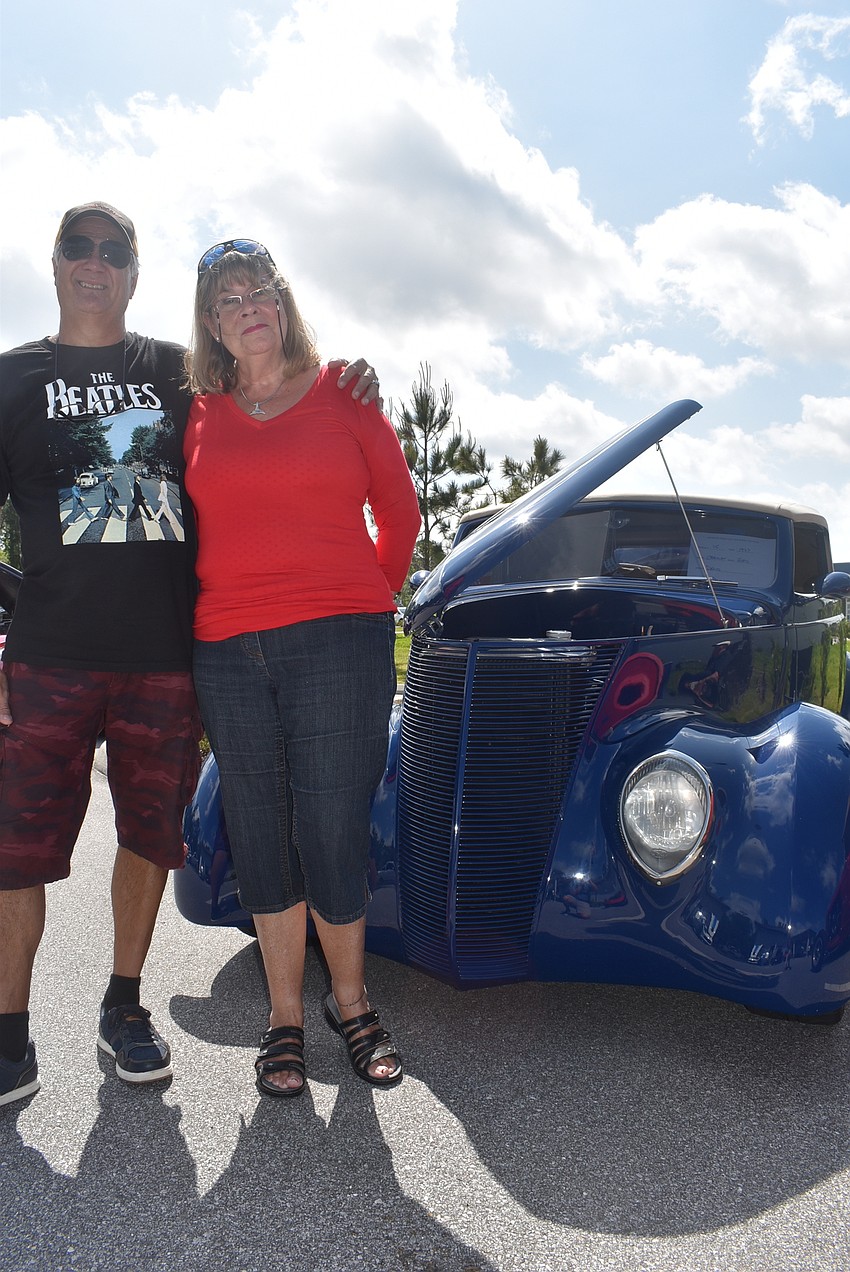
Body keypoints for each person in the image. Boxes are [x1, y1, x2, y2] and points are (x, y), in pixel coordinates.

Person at [0, 203, 381, 1107]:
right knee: (16, 854)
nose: (96, 263)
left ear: (135, 274)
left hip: (165, 656)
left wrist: (349, 378)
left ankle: (124, 1007)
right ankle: (10, 1033)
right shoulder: (12, 381)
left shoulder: (180, 375)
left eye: (115, 250)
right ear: (54, 263)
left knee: (147, 841)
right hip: (46, 656)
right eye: (79, 247)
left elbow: (275, 393)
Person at [183, 239, 420, 1096]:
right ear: (211, 323)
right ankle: (285, 1015)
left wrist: (365, 601)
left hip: (339, 641)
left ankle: (349, 1004)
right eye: (228, 298)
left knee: (332, 826)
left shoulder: (343, 394)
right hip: (227, 646)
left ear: (282, 305)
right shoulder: (197, 419)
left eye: (260, 291)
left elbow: (400, 509)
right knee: (257, 828)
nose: (247, 306)